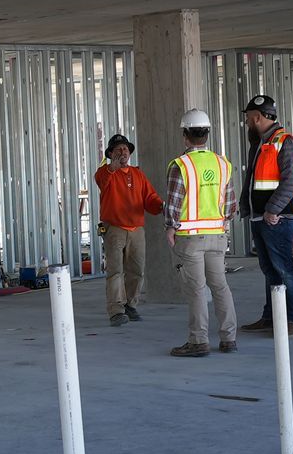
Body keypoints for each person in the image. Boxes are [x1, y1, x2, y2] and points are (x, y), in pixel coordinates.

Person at [162, 109, 238, 357]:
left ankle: (198, 341)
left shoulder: (181, 165)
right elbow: (230, 205)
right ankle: (229, 338)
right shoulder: (222, 163)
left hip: (190, 238)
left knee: (196, 289)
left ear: (185, 135)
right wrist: (222, 223)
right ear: (207, 133)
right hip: (217, 235)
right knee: (220, 286)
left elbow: (173, 202)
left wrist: (170, 228)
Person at [238, 94, 293, 337]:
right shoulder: (260, 143)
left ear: (257, 117)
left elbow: (290, 181)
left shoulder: (285, 141)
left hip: (278, 217)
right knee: (270, 270)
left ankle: (291, 320)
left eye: (248, 118)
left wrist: (272, 210)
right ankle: (271, 317)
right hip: (262, 217)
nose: (246, 123)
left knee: (283, 268)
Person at [92, 133, 163, 327]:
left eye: (125, 149)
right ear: (111, 154)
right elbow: (100, 180)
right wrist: (111, 168)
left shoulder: (138, 174)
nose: (122, 152)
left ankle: (130, 305)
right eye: (118, 150)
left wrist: (161, 207)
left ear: (129, 153)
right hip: (114, 228)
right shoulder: (105, 173)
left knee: (137, 270)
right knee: (115, 271)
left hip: (136, 229)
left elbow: (150, 197)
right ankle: (116, 310)